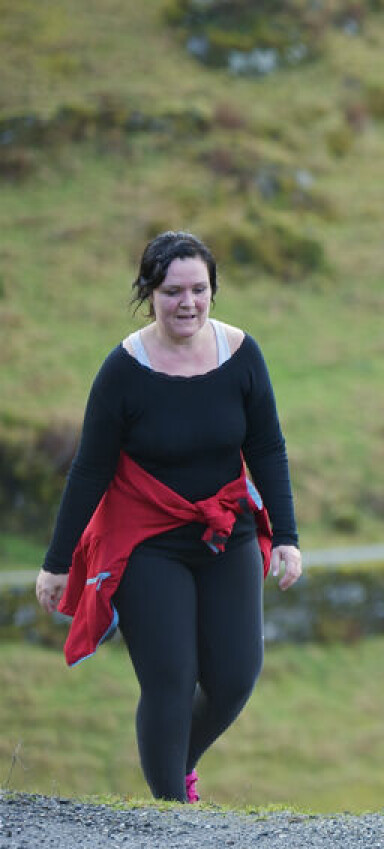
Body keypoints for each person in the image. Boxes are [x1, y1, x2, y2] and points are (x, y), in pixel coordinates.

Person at [34, 231, 302, 803]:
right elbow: (90, 471)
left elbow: (267, 448)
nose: (188, 303)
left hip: (225, 530)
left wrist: (287, 536)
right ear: (148, 293)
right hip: (147, 542)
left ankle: (176, 769)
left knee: (234, 677)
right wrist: (57, 563)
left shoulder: (241, 355)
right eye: (173, 291)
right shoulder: (123, 371)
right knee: (171, 681)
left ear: (213, 290)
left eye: (199, 289)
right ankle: (172, 812)